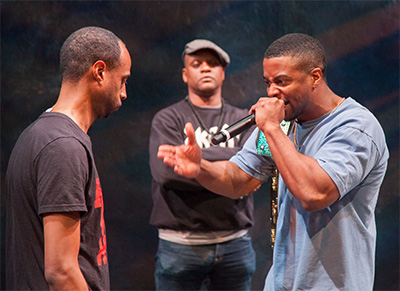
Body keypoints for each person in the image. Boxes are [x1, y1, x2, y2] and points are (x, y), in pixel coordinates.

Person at [158, 33, 389, 290]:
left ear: (315, 76)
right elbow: (238, 180)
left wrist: (271, 127)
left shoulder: (355, 127)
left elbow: (314, 193)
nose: (271, 92)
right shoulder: (281, 124)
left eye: (282, 81)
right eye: (267, 82)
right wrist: (200, 167)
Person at [5, 26, 131, 290]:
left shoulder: (40, 134)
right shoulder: (63, 146)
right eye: (123, 80)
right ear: (100, 72)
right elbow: (61, 271)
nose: (124, 93)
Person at [149, 39, 257, 290]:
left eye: (212, 64)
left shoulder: (243, 119)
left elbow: (252, 167)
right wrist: (231, 168)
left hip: (235, 244)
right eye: (197, 64)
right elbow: (166, 172)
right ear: (185, 75)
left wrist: (196, 162)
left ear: (223, 73)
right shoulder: (168, 119)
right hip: (180, 245)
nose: (205, 68)